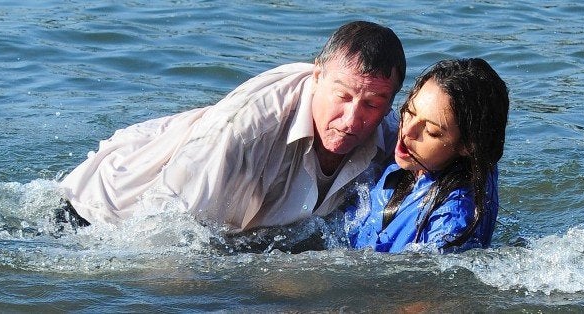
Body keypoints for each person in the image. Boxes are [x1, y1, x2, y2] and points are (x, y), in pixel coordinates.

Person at [57, 21, 407, 233]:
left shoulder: (392, 135)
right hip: (98, 211)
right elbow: (164, 235)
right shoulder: (247, 128)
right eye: (342, 96)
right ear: (317, 77)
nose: (351, 119)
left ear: (389, 102)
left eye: (372, 104)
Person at [344, 58, 509, 253]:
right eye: (410, 112)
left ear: (468, 146)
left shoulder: (451, 223)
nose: (407, 131)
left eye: (431, 131)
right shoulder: (420, 163)